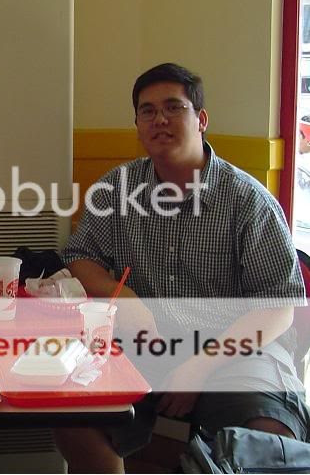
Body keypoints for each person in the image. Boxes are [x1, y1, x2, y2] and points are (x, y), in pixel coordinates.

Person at [54, 63, 309, 473]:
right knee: (75, 417)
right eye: (147, 111)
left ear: (201, 119)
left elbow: (278, 307)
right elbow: (79, 256)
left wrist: (200, 365)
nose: (160, 119)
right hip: (145, 345)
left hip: (235, 352)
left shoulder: (248, 200)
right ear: (138, 125)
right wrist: (127, 300)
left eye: (174, 107)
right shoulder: (117, 187)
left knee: (269, 435)